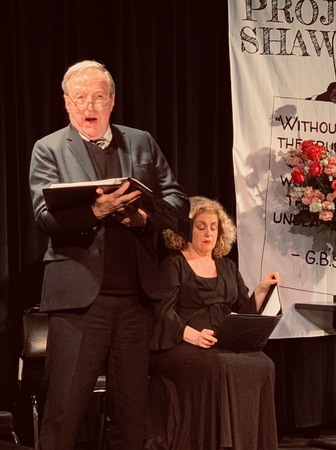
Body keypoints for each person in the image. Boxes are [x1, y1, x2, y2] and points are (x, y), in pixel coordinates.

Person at [29, 60, 190, 450]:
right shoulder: (49, 148)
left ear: (112, 101)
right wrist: (95, 212)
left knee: (132, 414)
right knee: (65, 408)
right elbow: (44, 216)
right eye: (80, 98)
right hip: (80, 300)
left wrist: (142, 219)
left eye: (98, 98)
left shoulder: (141, 142)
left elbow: (177, 200)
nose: (90, 107)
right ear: (67, 104)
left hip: (135, 299)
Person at [146, 196, 280, 450]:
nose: (208, 232)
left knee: (264, 363)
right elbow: (162, 312)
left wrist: (261, 290)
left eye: (213, 226)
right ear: (186, 229)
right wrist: (193, 335)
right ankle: (222, 444)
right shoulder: (174, 264)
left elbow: (243, 311)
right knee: (221, 365)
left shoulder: (227, 266)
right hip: (179, 344)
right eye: (201, 226)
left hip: (221, 341)